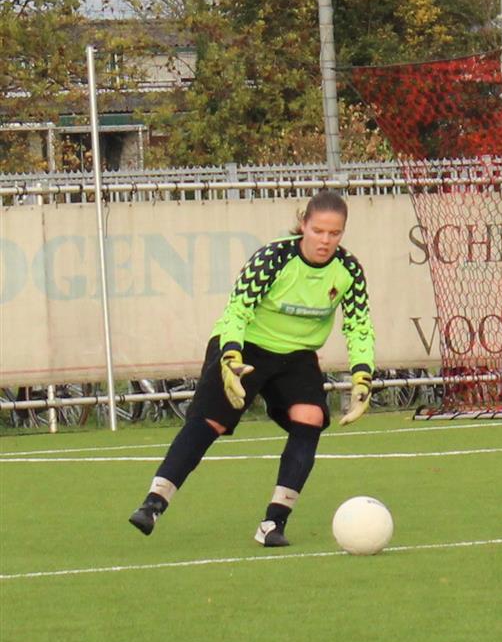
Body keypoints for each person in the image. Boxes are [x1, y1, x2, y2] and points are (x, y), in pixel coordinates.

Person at [128, 190, 375, 547]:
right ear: (304, 224)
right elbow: (237, 310)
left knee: (309, 418)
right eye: (319, 230)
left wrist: (362, 374)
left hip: (298, 355)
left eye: (334, 233)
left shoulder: (348, 270)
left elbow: (358, 325)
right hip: (246, 346)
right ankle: (154, 502)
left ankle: (273, 524)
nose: (325, 240)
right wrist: (230, 357)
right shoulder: (275, 258)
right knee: (210, 422)